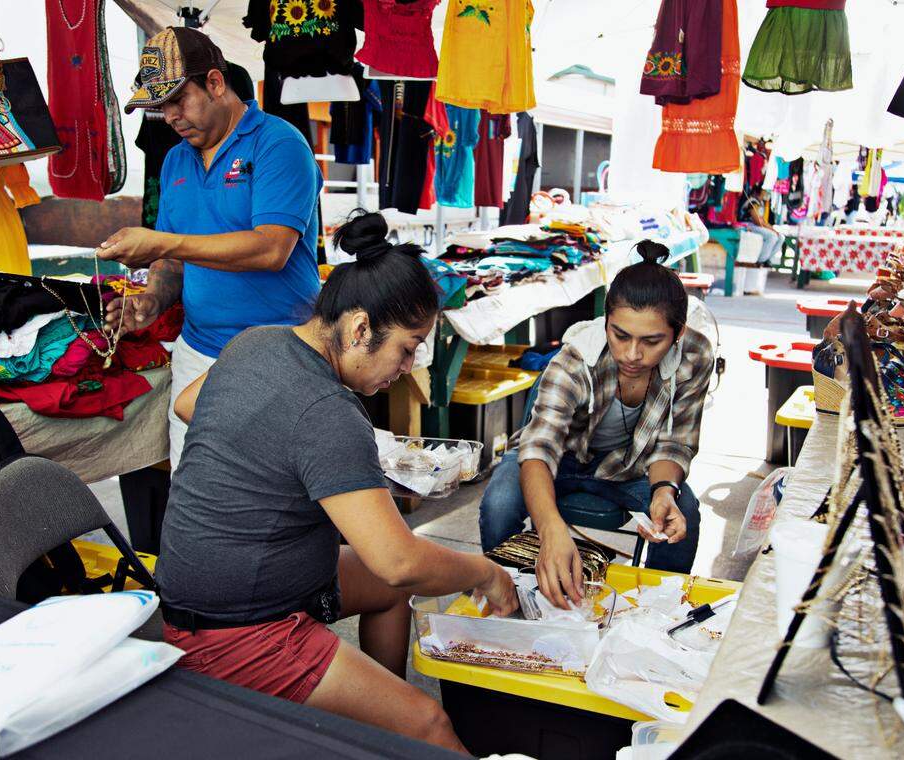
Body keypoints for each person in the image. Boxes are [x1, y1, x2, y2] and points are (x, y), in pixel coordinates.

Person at [155, 211, 518, 753]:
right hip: (233, 631)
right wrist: (486, 573)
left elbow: (190, 405)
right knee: (431, 727)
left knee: (395, 595)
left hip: (199, 590)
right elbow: (397, 560)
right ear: (360, 328)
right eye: (409, 347)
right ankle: (396, 734)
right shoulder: (329, 411)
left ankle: (371, 732)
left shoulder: (256, 342)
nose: (410, 366)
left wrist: (282, 466)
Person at [99, 27, 323, 468]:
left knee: (272, 492)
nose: (170, 116)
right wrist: (152, 299)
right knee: (198, 490)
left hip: (280, 354)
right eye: (161, 106)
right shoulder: (176, 159)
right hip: (198, 354)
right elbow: (174, 261)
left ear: (216, 83)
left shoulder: (279, 144)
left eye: (178, 99)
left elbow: (271, 249)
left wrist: (163, 241)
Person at [478, 241, 714, 609]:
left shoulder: (695, 356)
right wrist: (550, 530)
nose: (632, 354)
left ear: (678, 333)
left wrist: (664, 491)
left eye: (651, 341)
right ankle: (509, 599)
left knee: (686, 515)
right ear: (605, 322)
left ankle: (656, 613)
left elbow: (675, 443)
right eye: (620, 335)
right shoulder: (575, 359)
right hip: (560, 462)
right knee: (499, 502)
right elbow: (539, 449)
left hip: (629, 467)